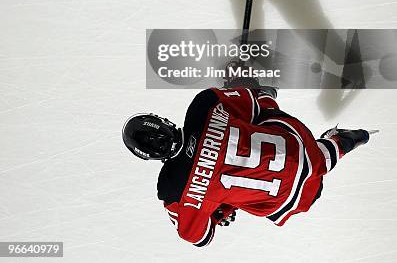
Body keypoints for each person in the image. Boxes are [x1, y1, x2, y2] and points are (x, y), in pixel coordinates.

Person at [122, 85, 376, 247]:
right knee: (263, 119)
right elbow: (248, 105)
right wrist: (249, 90)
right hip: (301, 146)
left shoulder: (172, 189)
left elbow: (198, 237)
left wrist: (217, 212)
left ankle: (342, 144)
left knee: (235, 188)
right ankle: (272, 97)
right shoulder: (204, 105)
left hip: (289, 202)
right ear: (163, 121)